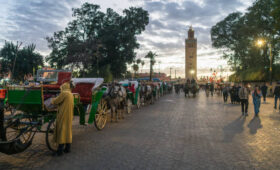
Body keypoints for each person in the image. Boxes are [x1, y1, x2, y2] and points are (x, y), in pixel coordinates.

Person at [51, 82, 74, 156]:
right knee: (67, 131)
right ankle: (67, 149)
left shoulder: (64, 93)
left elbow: (56, 101)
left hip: (63, 115)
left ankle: (59, 151)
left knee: (62, 131)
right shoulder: (70, 93)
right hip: (69, 115)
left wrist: (51, 100)